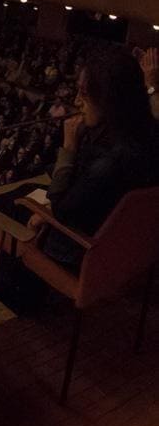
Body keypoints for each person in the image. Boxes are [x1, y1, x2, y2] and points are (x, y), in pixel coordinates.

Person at [40, 47, 159, 267]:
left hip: (74, 253)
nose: (77, 101)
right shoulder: (146, 137)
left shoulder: (110, 160)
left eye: (83, 93)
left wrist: (69, 147)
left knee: (2, 205)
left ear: (108, 98)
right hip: (122, 255)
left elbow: (61, 210)